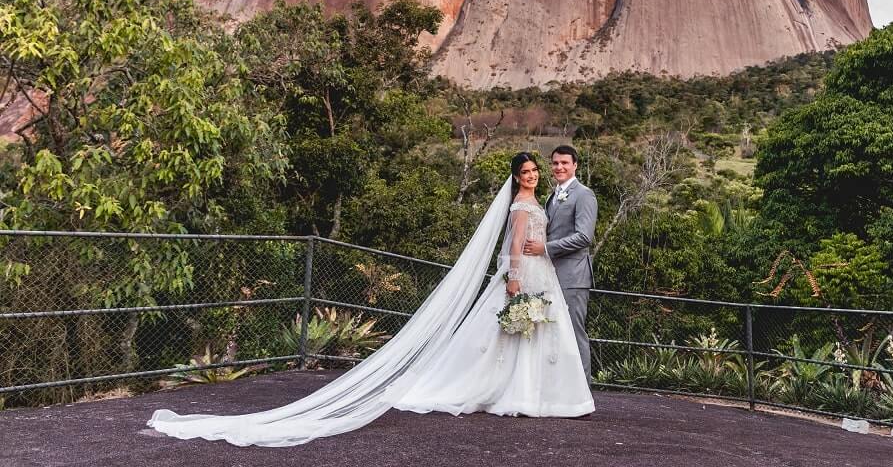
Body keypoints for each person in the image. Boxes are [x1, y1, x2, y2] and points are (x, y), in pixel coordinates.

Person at [146, 152, 593, 448]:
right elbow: (516, 245)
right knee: (512, 334)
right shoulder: (520, 204)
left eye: (541, 169)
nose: (536, 174)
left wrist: (536, 259)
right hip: (526, 274)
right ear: (517, 176)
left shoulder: (555, 198)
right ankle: (507, 391)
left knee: (535, 336)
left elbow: (569, 236)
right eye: (529, 170)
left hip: (546, 275)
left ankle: (536, 392)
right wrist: (515, 277)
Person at [522, 145, 597, 382]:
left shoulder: (584, 194)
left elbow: (584, 236)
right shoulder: (552, 196)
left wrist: (544, 249)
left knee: (574, 334)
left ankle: (583, 392)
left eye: (565, 163)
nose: (559, 167)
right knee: (553, 333)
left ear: (575, 165)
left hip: (573, 277)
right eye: (555, 163)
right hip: (550, 275)